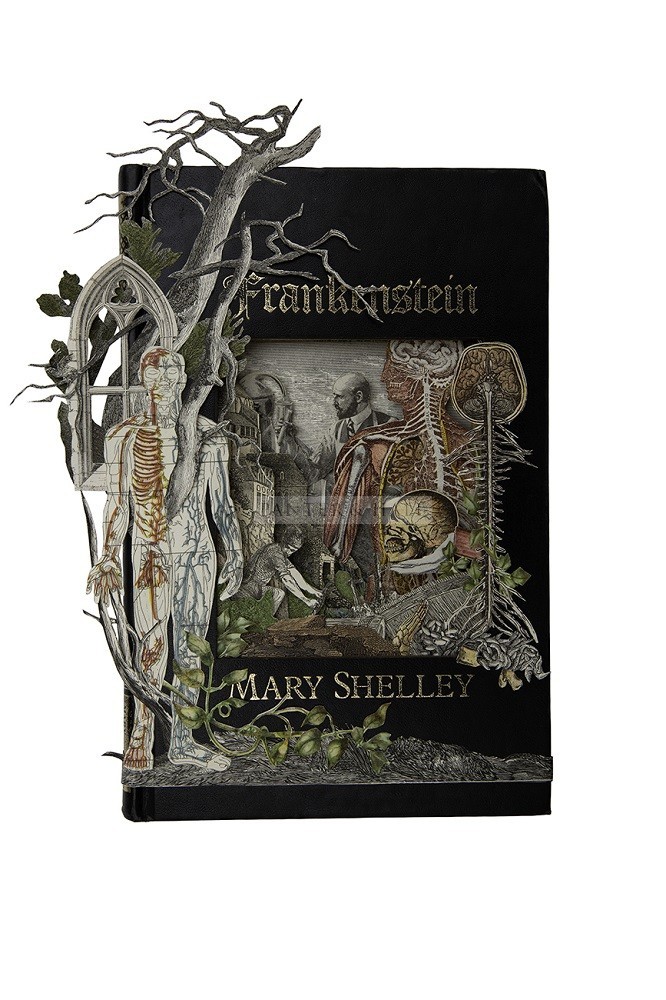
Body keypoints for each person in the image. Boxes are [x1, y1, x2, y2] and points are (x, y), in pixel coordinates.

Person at [86, 347, 244, 772]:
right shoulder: (123, 437)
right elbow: (117, 503)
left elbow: (222, 503)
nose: (168, 379)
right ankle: (142, 731)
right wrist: (107, 557)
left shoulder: (208, 435)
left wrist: (235, 551)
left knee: (191, 646)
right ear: (145, 379)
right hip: (151, 550)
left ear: (185, 379)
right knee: (151, 644)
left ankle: (183, 741)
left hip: (198, 552)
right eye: (158, 371)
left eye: (175, 371)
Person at [236, 526, 322, 614]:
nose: (289, 552)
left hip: (257, 588)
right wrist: (306, 600)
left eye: (293, 550)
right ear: (283, 542)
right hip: (246, 589)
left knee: (278, 594)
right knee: (276, 595)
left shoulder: (280, 553)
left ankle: (268, 617)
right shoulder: (275, 553)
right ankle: (267, 618)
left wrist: (314, 591)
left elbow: (295, 574)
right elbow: (287, 579)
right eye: (288, 548)